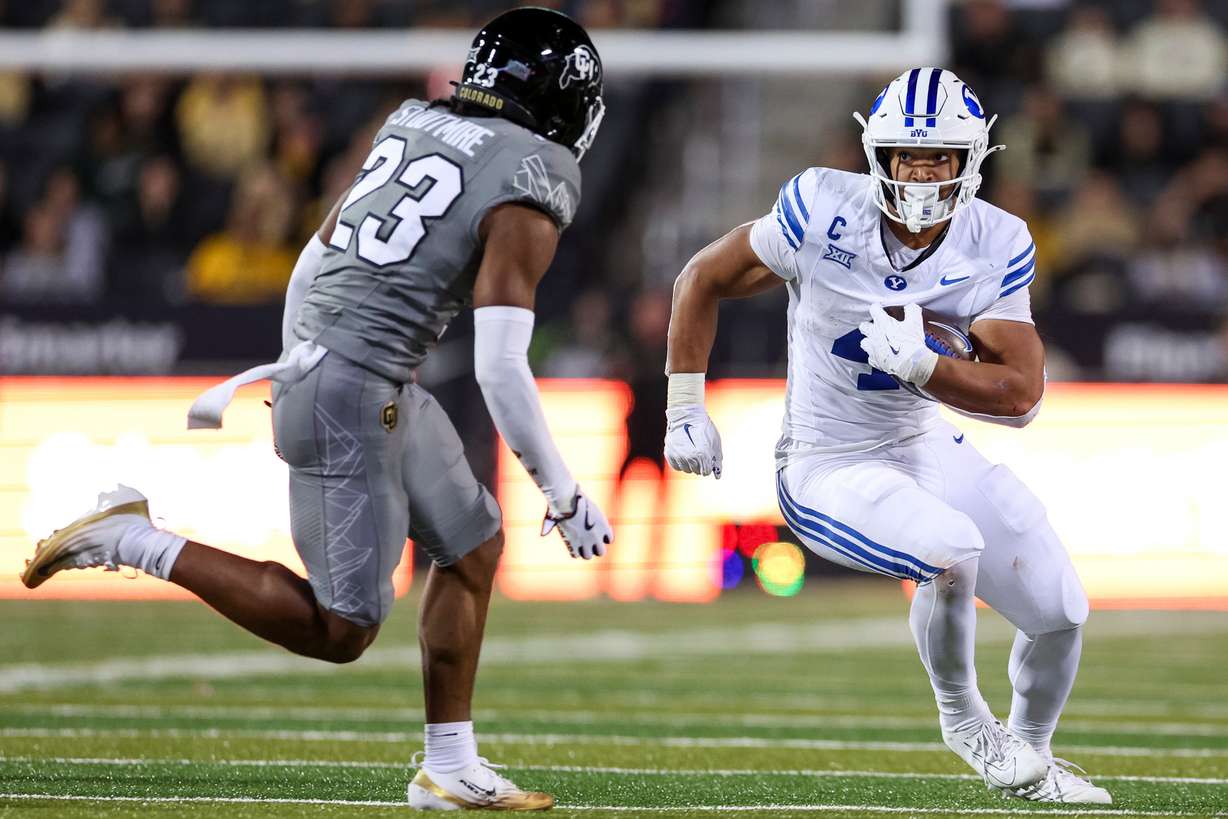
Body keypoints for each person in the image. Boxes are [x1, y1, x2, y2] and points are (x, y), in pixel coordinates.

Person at [22, 8, 613, 811]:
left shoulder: (418, 121)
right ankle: (130, 536)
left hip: (356, 370)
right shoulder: (536, 172)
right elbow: (501, 367)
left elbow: (314, 257)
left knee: (472, 545)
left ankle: (449, 767)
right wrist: (564, 492)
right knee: (342, 626)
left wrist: (305, 355)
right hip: (354, 384)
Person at [662, 68, 1110, 805]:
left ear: (971, 160)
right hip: (827, 460)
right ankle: (967, 723)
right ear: (879, 155)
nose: (923, 172)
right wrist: (684, 404)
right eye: (909, 155)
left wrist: (928, 367)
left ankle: (1032, 757)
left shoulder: (994, 239)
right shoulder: (821, 208)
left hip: (923, 442)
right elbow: (701, 277)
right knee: (950, 550)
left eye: (940, 157)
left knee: (1060, 610)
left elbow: (1022, 395)